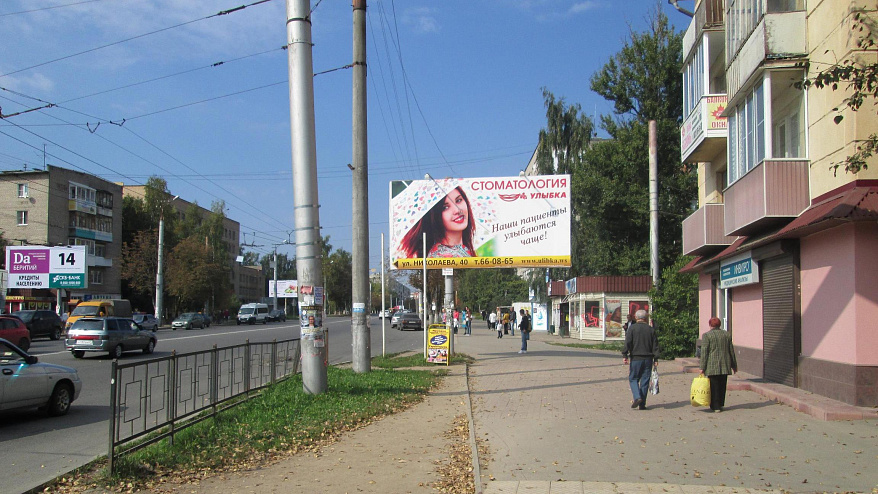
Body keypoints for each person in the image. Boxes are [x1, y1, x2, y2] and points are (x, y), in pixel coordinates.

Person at [398, 186, 476, 259]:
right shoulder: (444, 256)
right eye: (445, 207)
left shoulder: (463, 248)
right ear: (435, 216)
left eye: (458, 200)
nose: (457, 210)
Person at [621, 309, 659, 410]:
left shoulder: (632, 329)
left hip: (636, 358)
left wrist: (625, 355)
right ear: (646, 318)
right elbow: (655, 345)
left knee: (633, 378)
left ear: (636, 318)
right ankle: (642, 404)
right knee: (645, 380)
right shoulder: (651, 330)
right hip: (648, 359)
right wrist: (656, 358)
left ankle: (637, 397)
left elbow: (627, 343)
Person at [700, 317, 738, 413]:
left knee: (714, 385)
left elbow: (704, 352)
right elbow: (731, 351)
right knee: (722, 384)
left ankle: (715, 406)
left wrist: (702, 367)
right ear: (719, 325)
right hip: (725, 363)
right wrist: (734, 365)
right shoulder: (726, 335)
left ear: (710, 325)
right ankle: (721, 404)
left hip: (712, 364)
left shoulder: (707, 336)